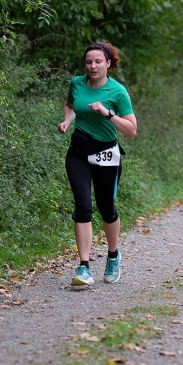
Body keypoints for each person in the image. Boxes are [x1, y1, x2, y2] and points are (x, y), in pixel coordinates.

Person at [57, 42, 137, 286]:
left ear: (108, 64)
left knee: (106, 208)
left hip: (106, 154)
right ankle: (84, 267)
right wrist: (67, 121)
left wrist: (108, 113)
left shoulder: (117, 92)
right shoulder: (77, 83)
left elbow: (132, 130)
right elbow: (71, 105)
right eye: (89, 62)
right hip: (79, 152)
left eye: (98, 61)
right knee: (83, 206)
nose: (93, 66)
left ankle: (113, 256)